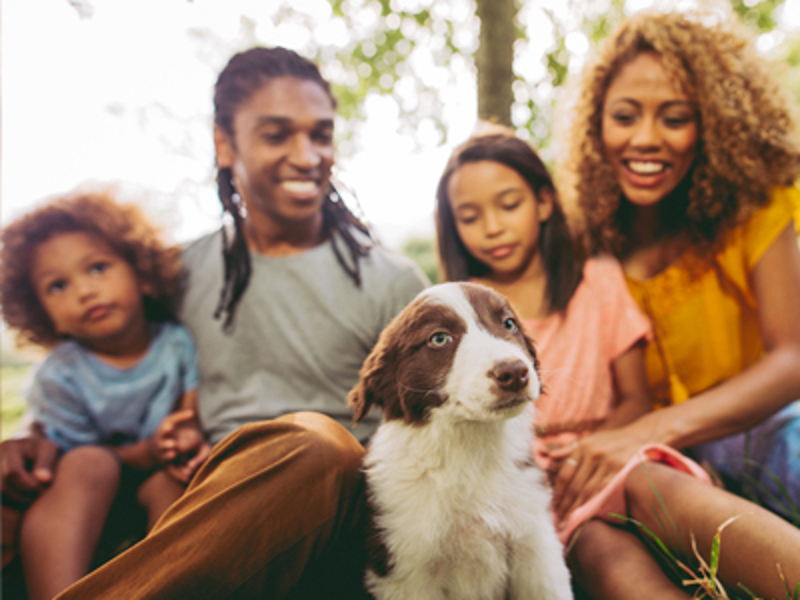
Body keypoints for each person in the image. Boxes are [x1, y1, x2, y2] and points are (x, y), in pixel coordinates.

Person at [4, 46, 426, 599]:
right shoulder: (178, 274)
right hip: (207, 499)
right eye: (278, 135)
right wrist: (28, 438)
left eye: (320, 135)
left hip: (339, 496)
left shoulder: (394, 283)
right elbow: (101, 360)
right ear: (224, 145)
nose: (307, 155)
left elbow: (429, 434)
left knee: (317, 443)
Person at [435, 129, 800, 599]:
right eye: (470, 216)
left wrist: (602, 444)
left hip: (611, 452)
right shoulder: (461, 313)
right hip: (529, 485)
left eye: (509, 205)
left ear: (544, 202)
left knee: (660, 486)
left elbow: (635, 398)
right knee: (604, 553)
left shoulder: (598, 281)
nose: (493, 226)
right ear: (453, 224)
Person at [553, 8, 800, 599]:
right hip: (662, 468)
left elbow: (793, 358)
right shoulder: (586, 240)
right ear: (596, 127)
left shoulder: (755, 205)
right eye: (625, 116)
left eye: (675, 118)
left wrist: (648, 428)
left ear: (711, 124)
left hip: (765, 428)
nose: (646, 139)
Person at [0, 190, 209, 599]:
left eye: (97, 268)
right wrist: (146, 450)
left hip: (157, 476)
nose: (84, 291)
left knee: (172, 485)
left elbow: (190, 412)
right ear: (40, 311)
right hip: (86, 492)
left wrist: (181, 437)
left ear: (142, 274)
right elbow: (61, 464)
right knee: (88, 462)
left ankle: (163, 588)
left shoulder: (175, 343)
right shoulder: (61, 374)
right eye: (58, 285)